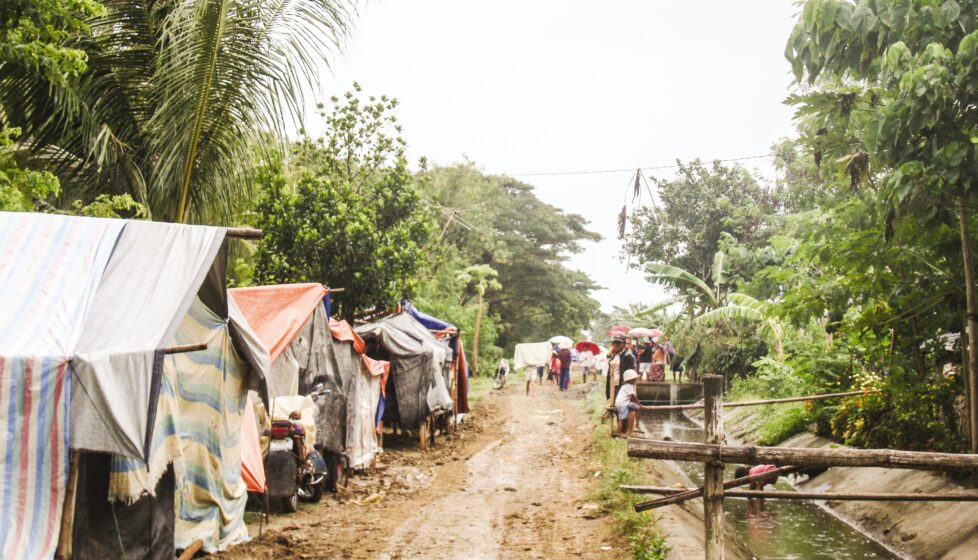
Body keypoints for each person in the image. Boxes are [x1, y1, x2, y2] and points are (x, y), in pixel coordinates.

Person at [614, 369, 647, 436]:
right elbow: (633, 397)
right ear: (630, 380)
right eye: (634, 379)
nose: (635, 380)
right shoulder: (628, 386)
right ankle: (620, 433)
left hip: (626, 402)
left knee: (637, 408)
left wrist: (639, 406)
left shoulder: (629, 385)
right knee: (621, 419)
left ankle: (637, 425)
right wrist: (640, 404)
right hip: (622, 404)